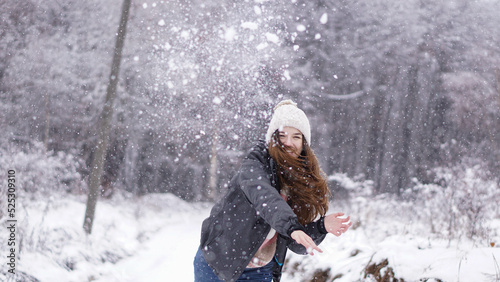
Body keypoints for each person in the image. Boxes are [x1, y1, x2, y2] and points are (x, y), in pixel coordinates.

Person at [193, 100, 352, 282]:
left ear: (304, 143)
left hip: (260, 271)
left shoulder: (300, 180)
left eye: (296, 137)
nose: (288, 143)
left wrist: (321, 227)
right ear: (273, 137)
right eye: (282, 135)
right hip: (219, 262)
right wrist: (292, 227)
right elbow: (265, 199)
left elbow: (296, 243)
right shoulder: (254, 164)